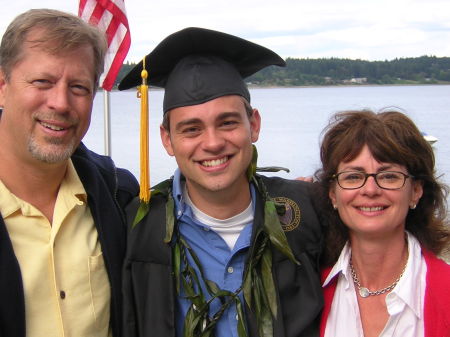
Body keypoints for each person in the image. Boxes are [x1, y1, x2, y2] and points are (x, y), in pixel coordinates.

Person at [120, 27, 324, 337]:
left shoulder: (308, 212)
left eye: (227, 123)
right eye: (191, 129)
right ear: (167, 139)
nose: (213, 143)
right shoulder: (136, 228)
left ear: (253, 125)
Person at [0, 9, 139, 337]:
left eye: (78, 87)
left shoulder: (118, 196)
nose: (61, 103)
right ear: (2, 85)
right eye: (42, 82)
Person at [315, 110, 450, 337]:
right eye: (353, 177)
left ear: (416, 191)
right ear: (333, 194)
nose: (370, 190)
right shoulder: (309, 290)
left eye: (388, 176)